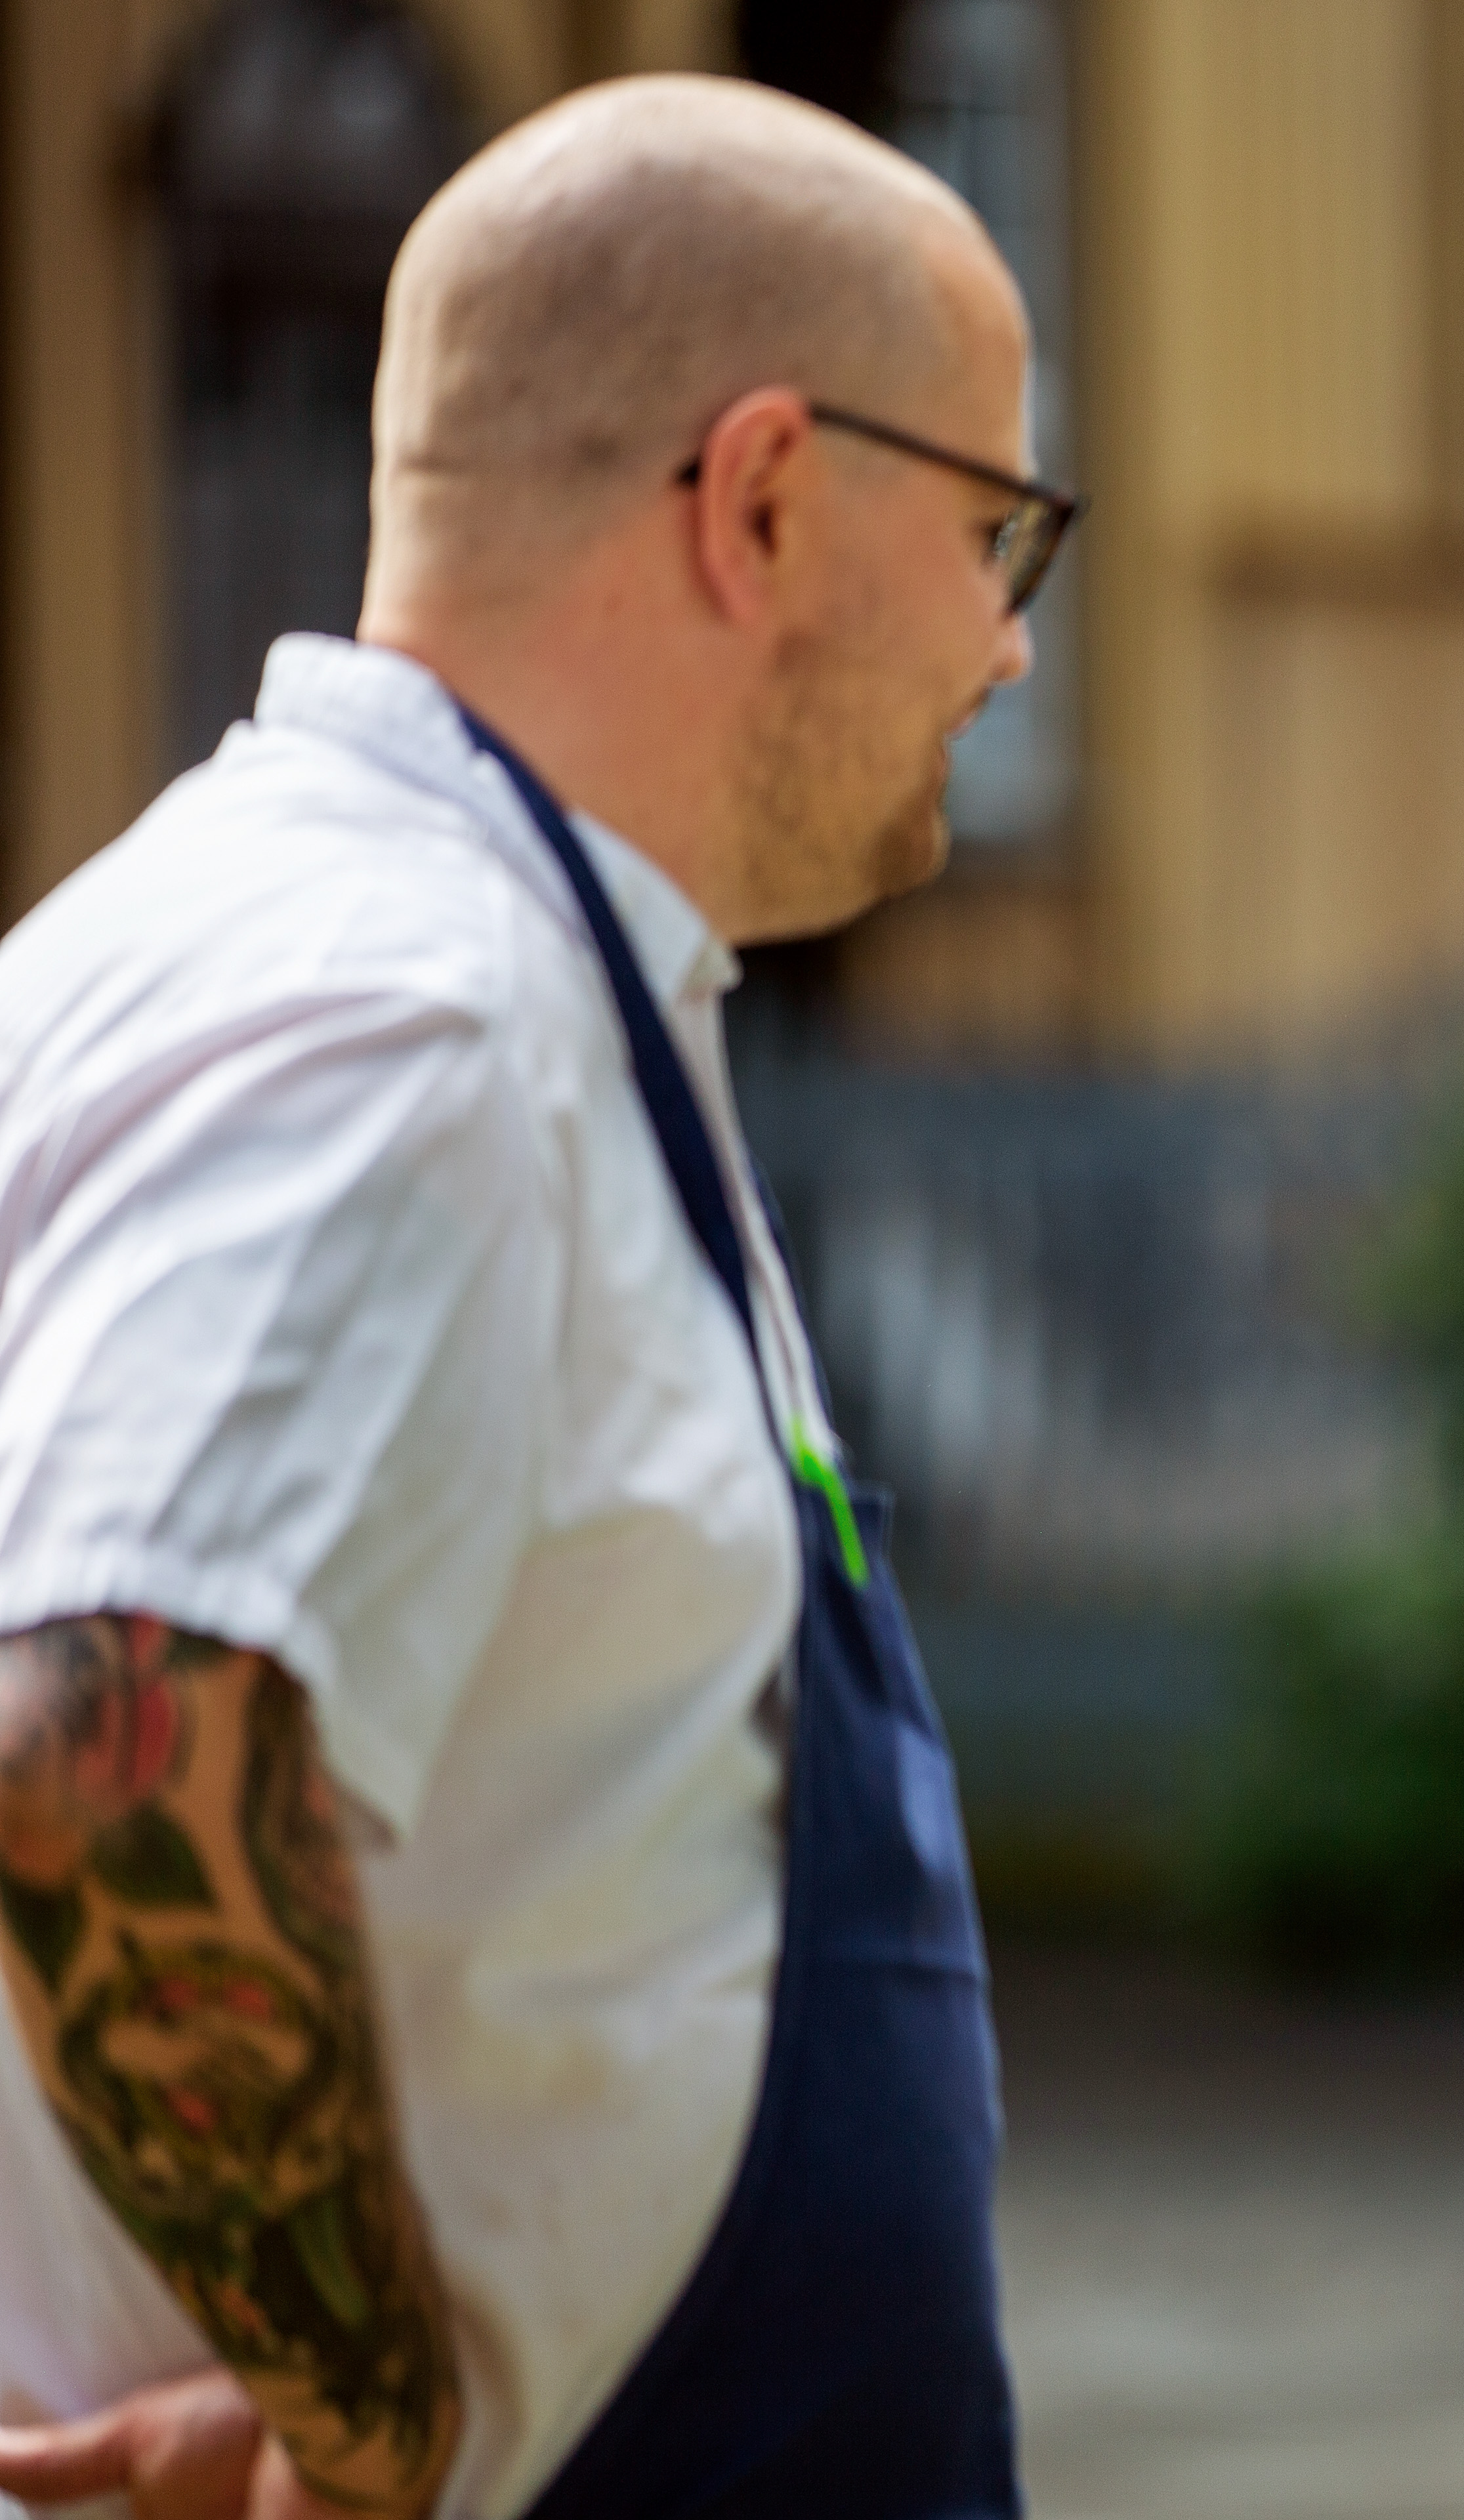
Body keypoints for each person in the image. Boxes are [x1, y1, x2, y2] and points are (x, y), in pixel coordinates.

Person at [0, 74, 1069, 2520]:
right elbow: (109, 1722)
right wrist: (376, 2440)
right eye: (994, 531)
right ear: (767, 495)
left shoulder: (435, 970)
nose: (1011, 648)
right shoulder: (416, 1010)